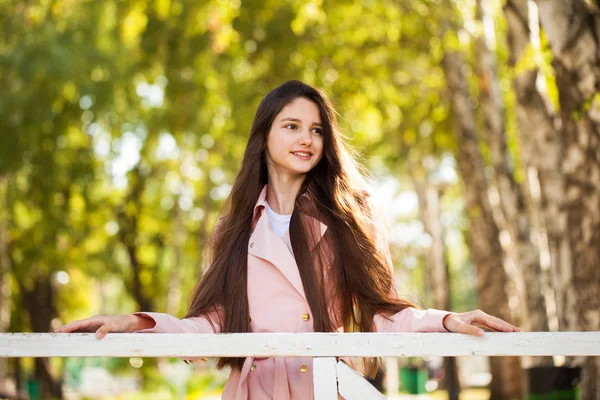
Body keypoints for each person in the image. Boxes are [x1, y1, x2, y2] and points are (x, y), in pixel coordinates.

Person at [56, 80, 520, 399]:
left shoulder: (350, 217)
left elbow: (381, 315)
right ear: (266, 135)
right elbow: (211, 324)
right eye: (292, 126)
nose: (307, 139)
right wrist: (136, 324)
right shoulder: (235, 228)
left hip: (325, 386)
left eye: (316, 129)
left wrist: (446, 321)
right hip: (253, 391)